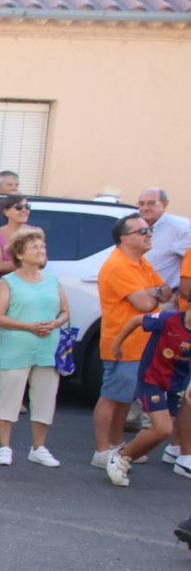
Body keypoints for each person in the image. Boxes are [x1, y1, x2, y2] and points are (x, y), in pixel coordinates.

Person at [92, 213, 170, 468]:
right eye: (143, 231)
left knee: (125, 398)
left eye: (149, 230)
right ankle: (102, 449)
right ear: (125, 238)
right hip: (122, 343)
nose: (149, 235)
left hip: (142, 344)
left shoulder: (141, 263)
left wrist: (153, 294)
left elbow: (165, 291)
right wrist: (153, 295)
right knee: (111, 396)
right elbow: (146, 303)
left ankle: (116, 444)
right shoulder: (118, 265)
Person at [0, 228, 69, 467]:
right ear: (20, 253)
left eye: (43, 247)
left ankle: (39, 447)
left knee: (45, 398)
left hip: (47, 347)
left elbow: (65, 311)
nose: (41, 251)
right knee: (9, 396)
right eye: (35, 247)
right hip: (16, 347)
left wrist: (55, 322)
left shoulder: (53, 280)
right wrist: (29, 326)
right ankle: (4, 447)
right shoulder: (8, 282)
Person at [104, 303, 191, 487]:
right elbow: (136, 320)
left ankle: (124, 458)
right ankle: (120, 456)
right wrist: (118, 343)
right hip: (152, 379)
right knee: (163, 428)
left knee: (160, 433)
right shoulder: (168, 319)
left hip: (177, 383)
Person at [137, 188, 190, 288]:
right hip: (136, 295)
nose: (145, 208)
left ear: (165, 204)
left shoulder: (179, 228)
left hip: (162, 298)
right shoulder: (135, 226)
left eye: (151, 203)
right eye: (141, 204)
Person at [0, 194, 32, 282]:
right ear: (6, 212)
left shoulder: (37, 232)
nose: (24, 210)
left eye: (27, 206)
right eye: (19, 207)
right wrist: (29, 263)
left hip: (29, 281)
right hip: (3, 282)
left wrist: (11, 264)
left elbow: (41, 262)